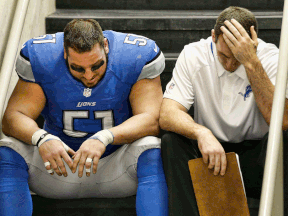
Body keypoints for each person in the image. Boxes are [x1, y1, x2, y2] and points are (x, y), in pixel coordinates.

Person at [0, 19, 168, 216]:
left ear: (106, 46)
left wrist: (104, 138)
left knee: (152, 146)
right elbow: (12, 117)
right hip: (59, 167)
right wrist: (42, 138)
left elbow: (152, 120)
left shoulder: (135, 56)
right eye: (78, 68)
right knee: (8, 148)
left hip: (116, 166)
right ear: (64, 53)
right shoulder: (42, 58)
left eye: (97, 66)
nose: (89, 75)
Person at [159, 6, 288, 216]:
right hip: (210, 153)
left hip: (257, 157)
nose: (229, 64)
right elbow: (167, 114)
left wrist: (251, 62)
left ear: (253, 42)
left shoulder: (272, 58)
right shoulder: (194, 54)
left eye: (236, 58)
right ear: (213, 36)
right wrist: (202, 133)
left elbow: (281, 121)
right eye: (223, 55)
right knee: (171, 140)